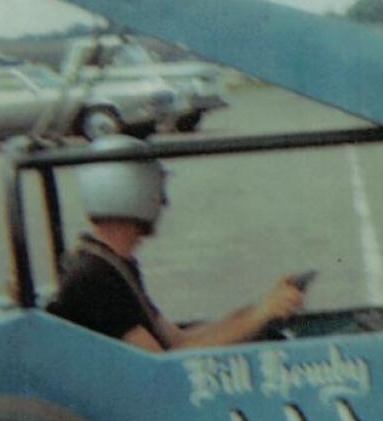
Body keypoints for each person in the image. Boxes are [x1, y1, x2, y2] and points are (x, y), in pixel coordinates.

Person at [47, 135, 305, 351]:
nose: (163, 202)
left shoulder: (110, 265)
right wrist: (260, 315)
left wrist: (259, 309)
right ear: (135, 191)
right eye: (158, 190)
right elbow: (164, 364)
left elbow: (180, 340)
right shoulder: (94, 278)